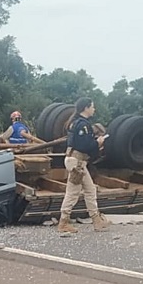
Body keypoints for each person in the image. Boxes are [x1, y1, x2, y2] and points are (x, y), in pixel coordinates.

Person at [57, 97, 111, 233]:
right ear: (86, 108)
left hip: (76, 161)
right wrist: (98, 142)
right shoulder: (83, 125)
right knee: (73, 192)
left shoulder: (75, 123)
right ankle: (63, 222)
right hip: (78, 163)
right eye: (92, 106)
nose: (94, 109)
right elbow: (84, 146)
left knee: (90, 190)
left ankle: (96, 220)